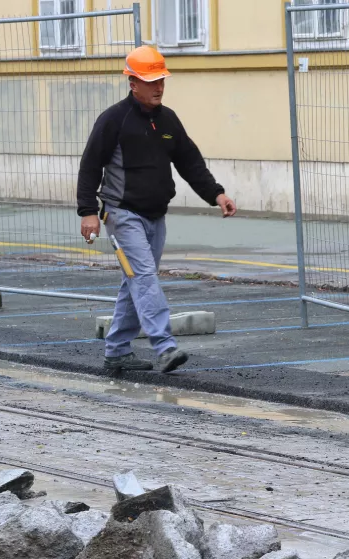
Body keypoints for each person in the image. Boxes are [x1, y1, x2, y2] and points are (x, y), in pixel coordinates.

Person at [77, 46, 237, 374]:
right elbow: (90, 165)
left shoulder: (167, 120)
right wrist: (88, 211)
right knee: (145, 278)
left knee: (135, 281)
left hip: (155, 217)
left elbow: (190, 162)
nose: (159, 87)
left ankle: (117, 351)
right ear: (133, 82)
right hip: (121, 216)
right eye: (151, 81)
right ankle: (164, 347)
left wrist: (216, 194)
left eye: (161, 80)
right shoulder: (113, 120)